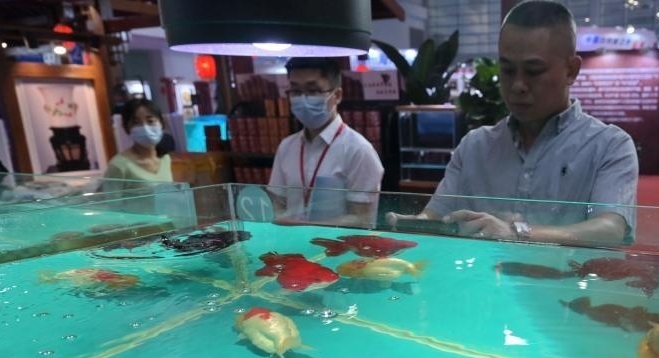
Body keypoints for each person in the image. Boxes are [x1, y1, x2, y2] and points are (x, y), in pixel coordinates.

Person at [388, 0, 638, 245]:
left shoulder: (609, 146)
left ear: (571, 70)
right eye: (507, 70)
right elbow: (436, 215)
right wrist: (412, 224)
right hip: (481, 273)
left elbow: (611, 227)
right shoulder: (475, 146)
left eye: (533, 71)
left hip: (569, 273)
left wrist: (516, 232)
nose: (518, 85)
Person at [268, 57, 384, 225]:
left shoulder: (359, 150)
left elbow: (363, 219)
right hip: (290, 240)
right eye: (296, 91)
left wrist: (305, 227)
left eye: (313, 91)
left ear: (336, 95)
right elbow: (277, 203)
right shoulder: (287, 147)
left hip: (336, 241)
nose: (303, 99)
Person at [105, 98, 173, 182]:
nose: (145, 128)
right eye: (136, 123)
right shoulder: (119, 165)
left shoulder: (165, 159)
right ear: (127, 128)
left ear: (161, 123)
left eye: (150, 121)